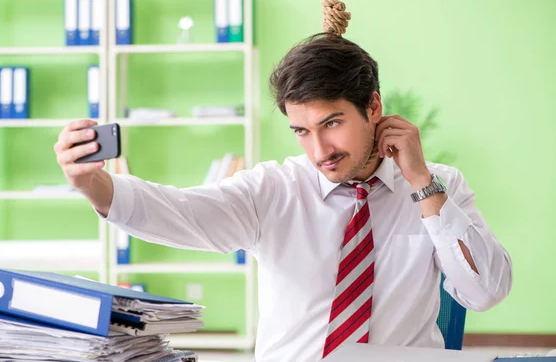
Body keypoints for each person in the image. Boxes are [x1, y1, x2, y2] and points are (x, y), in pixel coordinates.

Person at [54, 33, 512, 361]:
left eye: (332, 123)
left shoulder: (437, 184)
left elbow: (486, 292)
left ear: (373, 108)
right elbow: (182, 212)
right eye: (301, 131)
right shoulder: (274, 190)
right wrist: (92, 184)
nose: (319, 152)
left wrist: (420, 183)